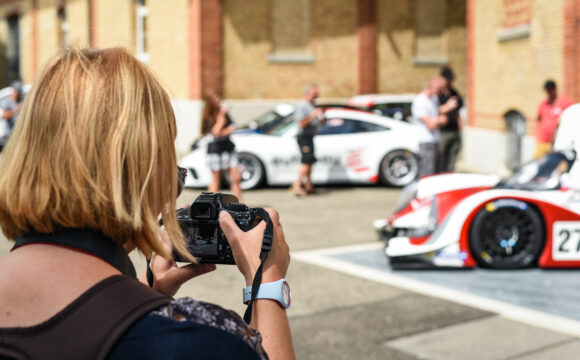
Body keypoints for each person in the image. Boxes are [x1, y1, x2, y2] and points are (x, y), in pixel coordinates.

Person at [0, 48, 294, 359]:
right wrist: (268, 284)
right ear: (143, 174)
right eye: (173, 173)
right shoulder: (195, 339)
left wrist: (146, 294)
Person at [412, 76, 457, 177]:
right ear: (430, 87)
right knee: (426, 172)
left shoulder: (434, 99)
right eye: (438, 88)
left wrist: (446, 109)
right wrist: (440, 120)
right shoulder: (420, 101)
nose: (440, 91)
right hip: (426, 142)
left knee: (436, 173)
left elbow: (440, 115)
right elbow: (431, 125)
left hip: (435, 140)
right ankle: (423, 193)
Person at [201, 90, 242, 201]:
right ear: (210, 101)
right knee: (216, 179)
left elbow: (233, 127)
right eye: (215, 98)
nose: (218, 101)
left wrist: (222, 132)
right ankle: (211, 204)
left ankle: (239, 204)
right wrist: (221, 119)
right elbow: (215, 132)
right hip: (215, 150)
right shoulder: (208, 116)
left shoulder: (224, 113)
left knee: (236, 177)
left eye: (219, 98)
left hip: (228, 147)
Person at [292, 84, 324, 198]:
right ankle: (297, 186)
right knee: (306, 162)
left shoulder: (312, 105)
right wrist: (312, 115)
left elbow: (319, 122)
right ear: (307, 94)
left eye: (317, 95)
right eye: (314, 94)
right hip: (304, 137)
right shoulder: (302, 105)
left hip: (310, 136)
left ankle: (309, 185)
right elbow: (301, 123)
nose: (316, 97)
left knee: (310, 162)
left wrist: (321, 118)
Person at [535, 80, 572, 158]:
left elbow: (569, 117)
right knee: (537, 162)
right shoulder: (543, 104)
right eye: (547, 90)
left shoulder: (564, 102)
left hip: (557, 141)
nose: (549, 92)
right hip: (543, 140)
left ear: (555, 89)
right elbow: (539, 119)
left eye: (550, 89)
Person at [437, 67, 463, 172]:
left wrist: (460, 129)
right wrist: (448, 106)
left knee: (453, 157)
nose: (449, 83)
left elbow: (458, 112)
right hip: (443, 132)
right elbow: (435, 111)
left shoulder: (454, 93)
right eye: (447, 80)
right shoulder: (437, 94)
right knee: (442, 158)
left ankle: (449, 175)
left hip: (454, 130)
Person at [0, 81, 23, 151]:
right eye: (16, 90)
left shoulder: (20, 101)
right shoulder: (5, 101)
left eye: (18, 91)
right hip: (5, 135)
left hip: (15, 134)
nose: (17, 93)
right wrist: (17, 110)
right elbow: (4, 114)